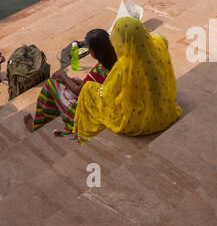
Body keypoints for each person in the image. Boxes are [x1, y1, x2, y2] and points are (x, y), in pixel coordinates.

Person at [72, 16, 181, 144]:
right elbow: (162, 38)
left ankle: (86, 137)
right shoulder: (159, 45)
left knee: (88, 89)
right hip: (167, 113)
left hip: (140, 124)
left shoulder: (123, 66)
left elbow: (106, 96)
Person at [23, 27, 117, 134]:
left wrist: (63, 76)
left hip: (91, 113)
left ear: (93, 52)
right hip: (106, 100)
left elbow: (78, 91)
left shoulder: (101, 69)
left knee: (51, 85)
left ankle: (37, 125)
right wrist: (68, 80)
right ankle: (47, 117)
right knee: (73, 80)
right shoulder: (118, 61)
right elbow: (87, 86)